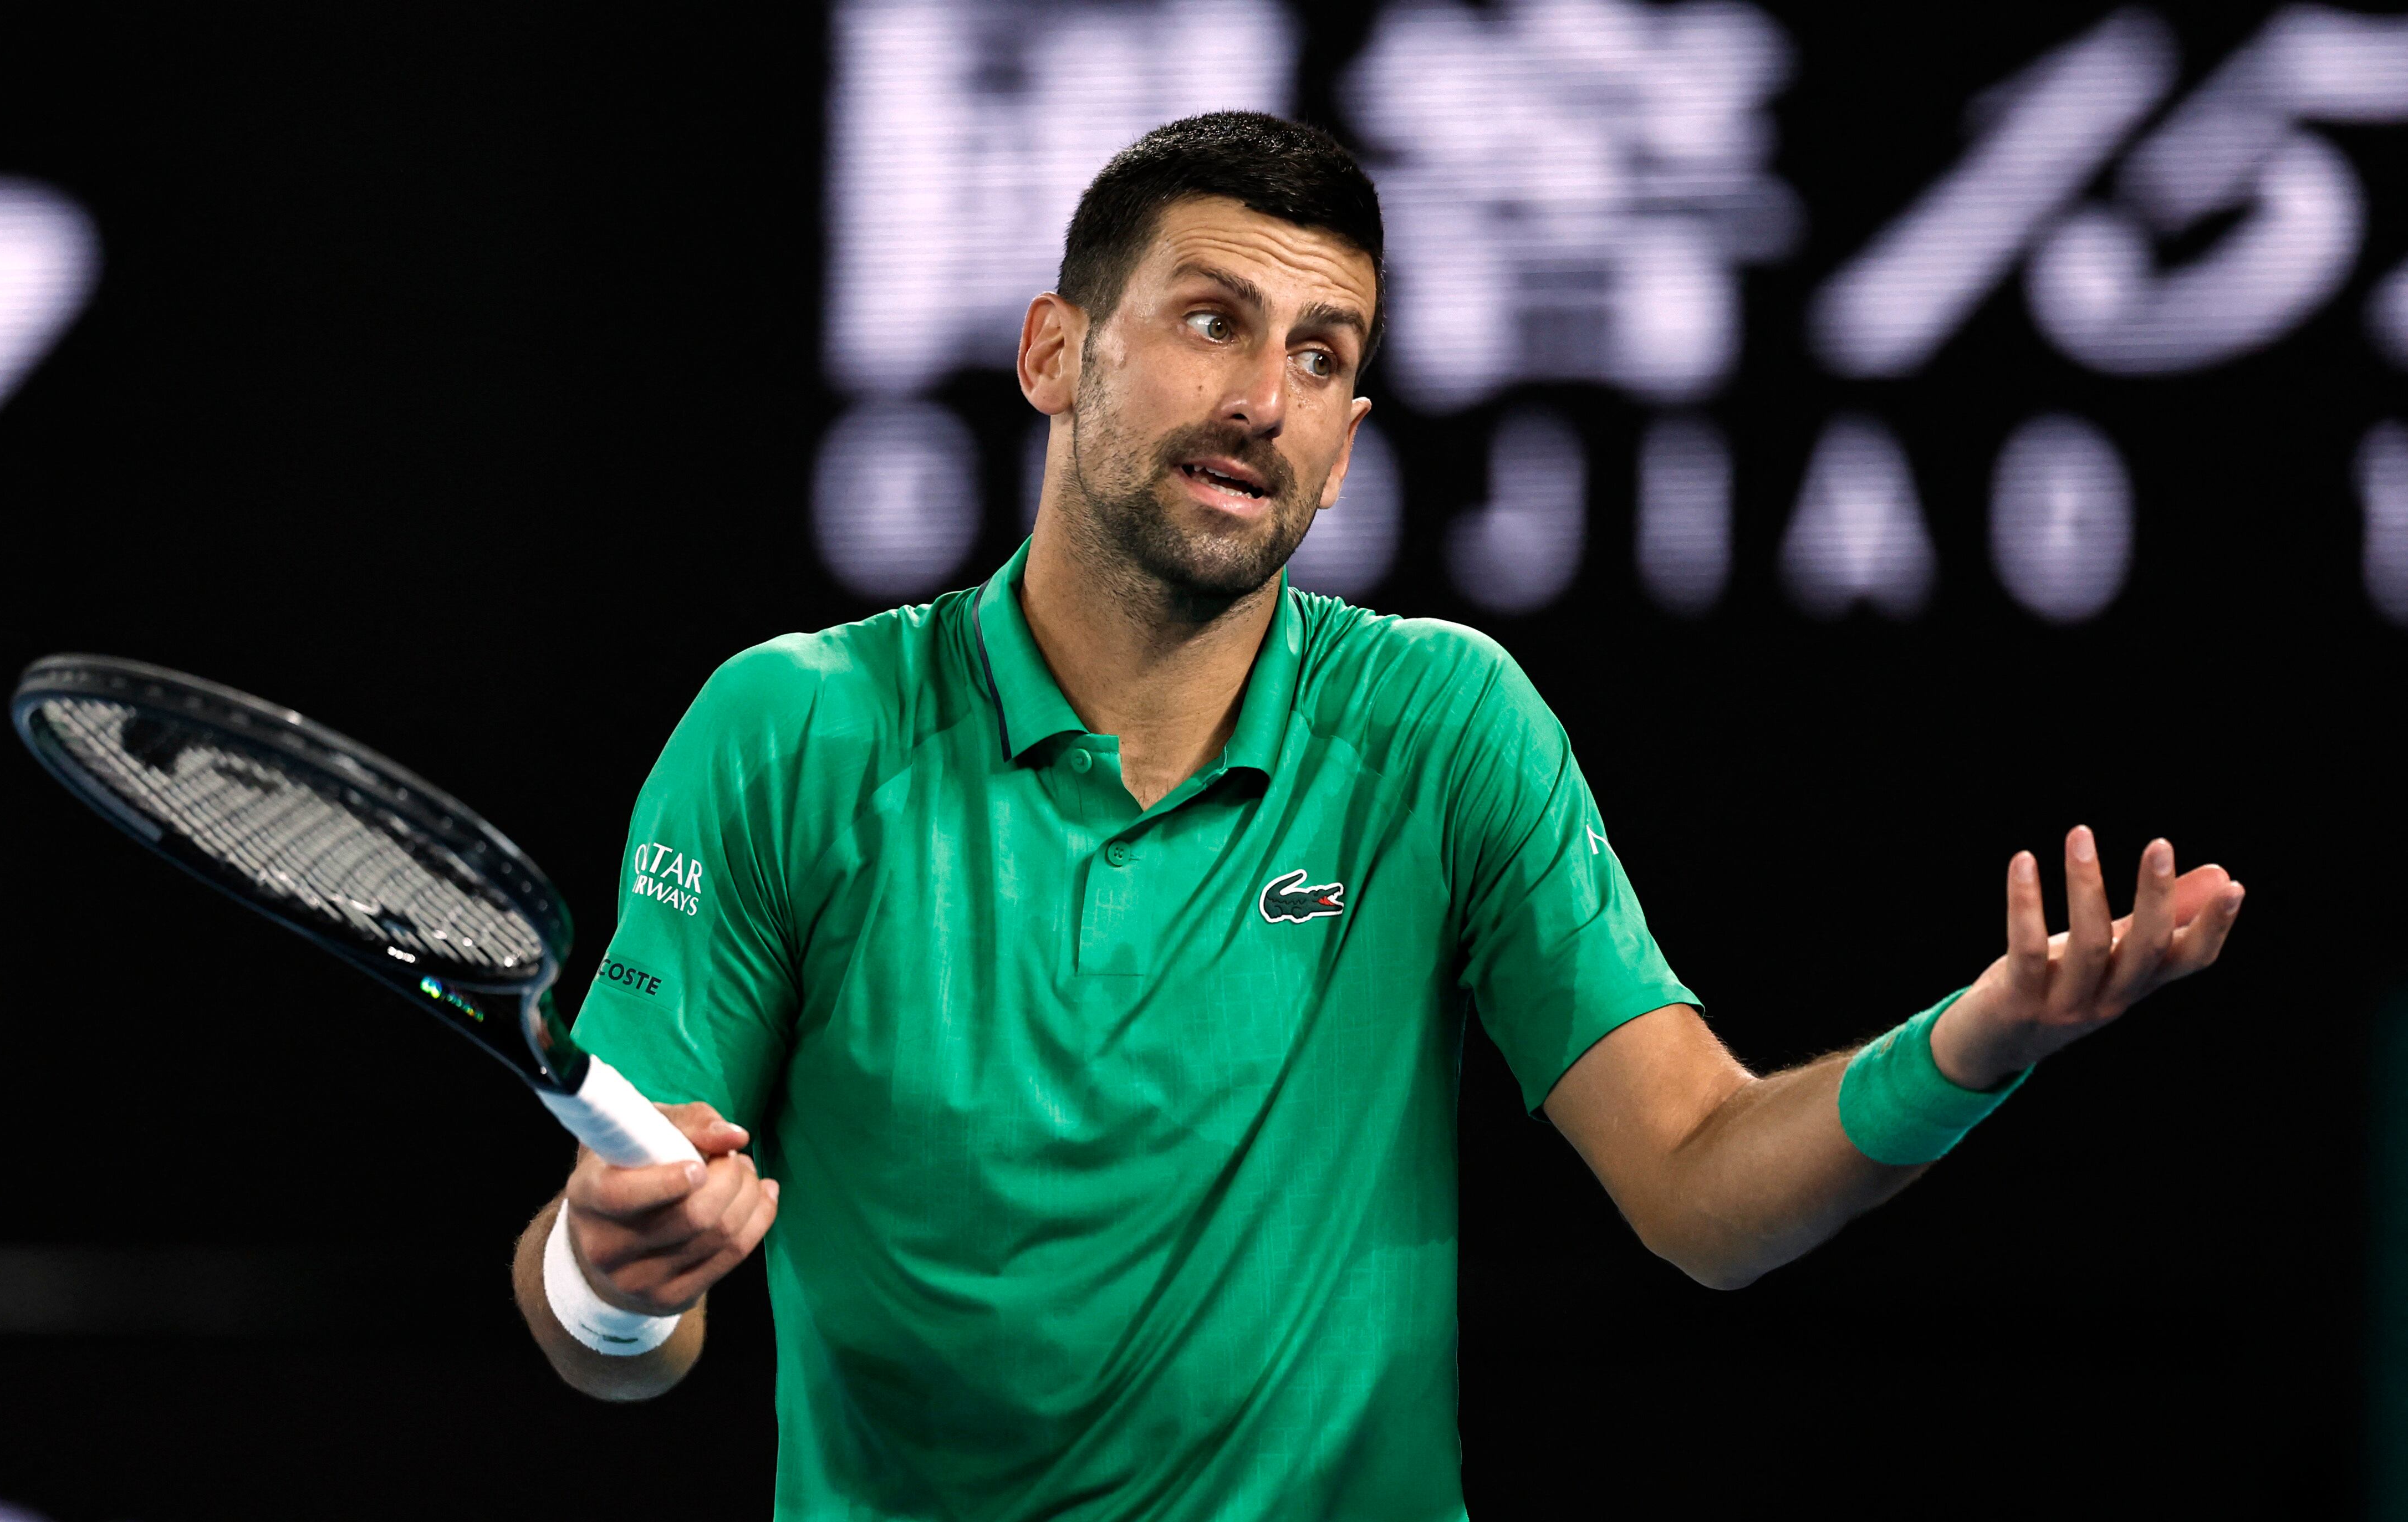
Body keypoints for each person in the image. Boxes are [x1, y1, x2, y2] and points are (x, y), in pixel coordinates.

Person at [510, 111, 2244, 1518]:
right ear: (1054, 351)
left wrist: (1968, 1048)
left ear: (1347, 440)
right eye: (1211, 321)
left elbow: (1701, 1187)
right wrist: (619, 1272)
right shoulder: (791, 732)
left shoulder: (1440, 726)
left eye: (1321, 355)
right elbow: (613, 1333)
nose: (1263, 399)